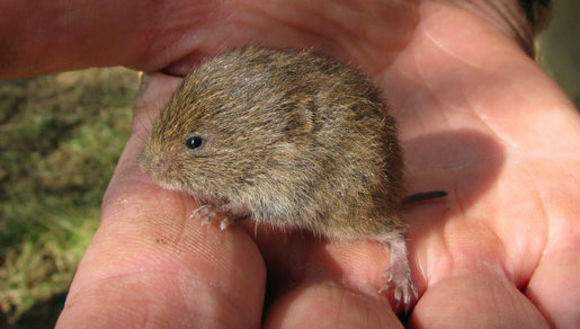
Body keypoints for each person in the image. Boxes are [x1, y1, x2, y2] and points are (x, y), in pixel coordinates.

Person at [2, 1, 578, 328]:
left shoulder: (292, 157)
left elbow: (283, 200)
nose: (165, 161)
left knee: (351, 218)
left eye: (195, 145)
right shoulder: (264, 131)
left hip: (345, 183)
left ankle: (394, 240)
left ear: (281, 137)